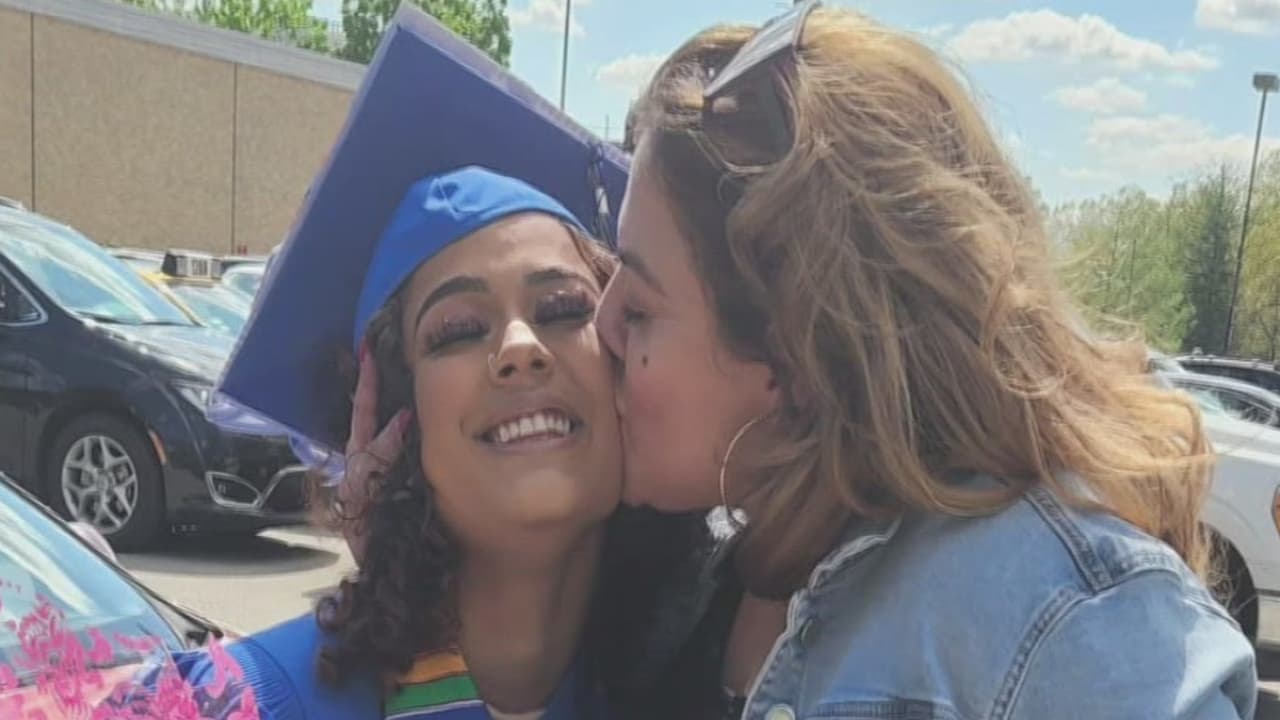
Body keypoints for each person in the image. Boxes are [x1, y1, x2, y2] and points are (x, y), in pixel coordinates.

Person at [589, 3, 1259, 719]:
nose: (602, 326)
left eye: (641, 310)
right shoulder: (710, 572)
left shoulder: (1066, 631)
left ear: (798, 353)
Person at [222, 167, 625, 720]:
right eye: (459, 331)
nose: (520, 346)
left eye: (562, 309)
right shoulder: (240, 704)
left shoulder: (704, 689)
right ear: (392, 421)